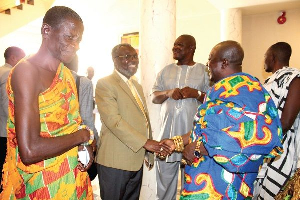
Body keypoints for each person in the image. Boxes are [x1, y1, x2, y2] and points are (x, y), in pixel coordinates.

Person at [161, 40, 283, 199]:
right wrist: (176, 142)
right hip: (203, 177)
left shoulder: (247, 91)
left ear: (224, 63)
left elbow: (256, 135)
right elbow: (207, 129)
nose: (207, 64)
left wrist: (199, 147)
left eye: (210, 59)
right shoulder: (220, 90)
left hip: (225, 185)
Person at [0, 6, 94, 199]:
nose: (76, 46)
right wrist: (82, 136)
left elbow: (69, 124)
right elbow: (30, 150)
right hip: (42, 184)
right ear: (46, 30)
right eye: (70, 37)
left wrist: (85, 146)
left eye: (79, 40)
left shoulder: (65, 74)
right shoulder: (27, 71)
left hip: (73, 176)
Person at [95, 43, 171, 200]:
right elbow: (113, 121)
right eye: (127, 57)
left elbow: (143, 119)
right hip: (114, 162)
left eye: (135, 56)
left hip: (135, 160)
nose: (133, 60)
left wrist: (149, 150)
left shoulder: (135, 85)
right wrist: (145, 142)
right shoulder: (105, 84)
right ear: (115, 60)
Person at [152, 34, 210, 200]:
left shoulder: (204, 71)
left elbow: (214, 100)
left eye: (180, 45)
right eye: (175, 45)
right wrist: (168, 92)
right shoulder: (166, 71)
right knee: (164, 182)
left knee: (191, 182)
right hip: (167, 136)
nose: (175, 48)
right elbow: (154, 97)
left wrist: (196, 93)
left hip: (191, 137)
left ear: (191, 48)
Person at [253, 42, 300, 199]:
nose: (264, 61)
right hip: (266, 146)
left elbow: (286, 122)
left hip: (283, 150)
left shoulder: (295, 78)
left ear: (272, 57)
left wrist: (264, 140)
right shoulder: (268, 83)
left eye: (265, 57)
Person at [0, 46, 25, 192]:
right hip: (4, 131)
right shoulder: (9, 73)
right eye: (22, 58)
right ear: (14, 58)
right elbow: (6, 103)